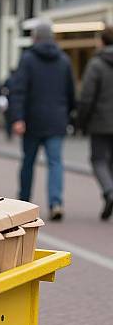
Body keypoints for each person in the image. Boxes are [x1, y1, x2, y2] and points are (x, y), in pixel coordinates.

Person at [10, 20, 75, 221]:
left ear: (35, 37)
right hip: (57, 120)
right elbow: (71, 92)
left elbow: (18, 90)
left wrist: (18, 118)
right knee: (55, 162)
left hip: (32, 120)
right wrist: (69, 113)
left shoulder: (28, 59)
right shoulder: (64, 60)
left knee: (28, 162)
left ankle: (24, 202)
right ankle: (56, 202)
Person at [77, 26, 113, 220]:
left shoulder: (97, 64)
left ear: (103, 41)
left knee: (98, 159)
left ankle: (109, 191)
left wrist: (81, 122)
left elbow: (87, 96)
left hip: (101, 121)